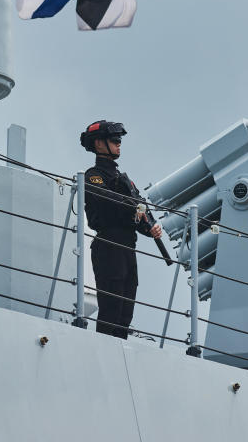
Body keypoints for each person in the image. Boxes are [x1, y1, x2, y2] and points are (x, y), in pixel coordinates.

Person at [79, 120, 163, 339]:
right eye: (114, 140)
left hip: (127, 246)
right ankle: (106, 347)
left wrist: (150, 227)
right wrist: (134, 206)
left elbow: (138, 209)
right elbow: (109, 201)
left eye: (119, 141)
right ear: (98, 144)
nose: (119, 144)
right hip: (109, 245)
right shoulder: (93, 176)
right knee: (111, 307)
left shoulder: (125, 181)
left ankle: (119, 345)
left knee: (126, 309)